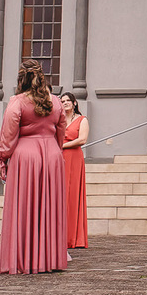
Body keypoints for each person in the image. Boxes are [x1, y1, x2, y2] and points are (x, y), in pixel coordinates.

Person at [0, 59, 69, 274]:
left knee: (24, 205)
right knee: (49, 206)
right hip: (52, 154)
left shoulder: (17, 101)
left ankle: (24, 258)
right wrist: (56, 150)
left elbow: (9, 134)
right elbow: (61, 130)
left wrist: (2, 158)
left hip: (26, 154)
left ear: (21, 78)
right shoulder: (55, 101)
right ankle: (49, 258)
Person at [60, 91, 89, 249]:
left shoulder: (82, 119)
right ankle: (61, 236)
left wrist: (62, 145)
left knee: (72, 195)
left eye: (67, 101)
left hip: (74, 159)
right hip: (59, 159)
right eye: (62, 101)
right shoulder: (58, 120)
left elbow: (82, 139)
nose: (65, 103)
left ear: (74, 103)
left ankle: (74, 237)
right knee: (61, 195)